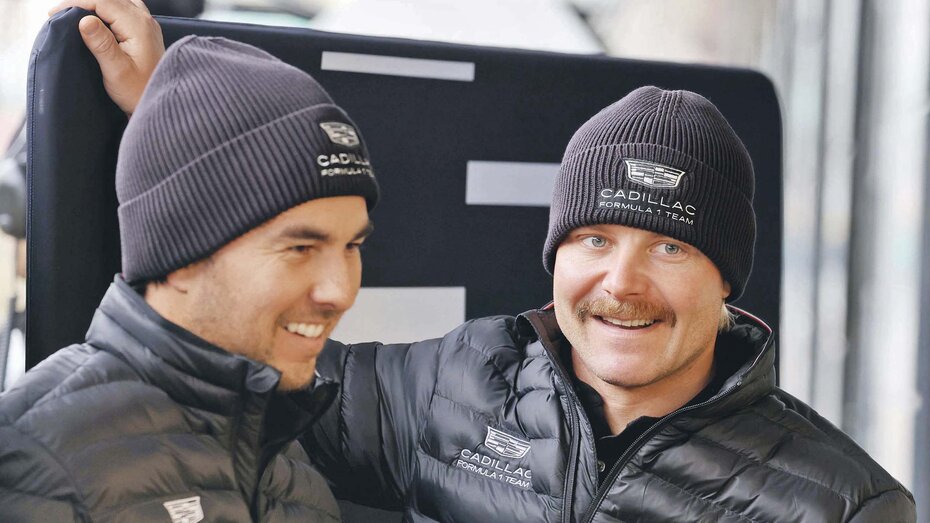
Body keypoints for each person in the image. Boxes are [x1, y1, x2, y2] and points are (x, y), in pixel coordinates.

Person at [42, 2, 921, 521]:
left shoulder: (844, 504)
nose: (621, 282)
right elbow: (248, 356)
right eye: (594, 237)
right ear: (556, 253)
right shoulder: (459, 382)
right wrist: (175, 115)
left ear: (727, 278)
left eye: (672, 245)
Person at [0, 34, 378, 522]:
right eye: (300, 248)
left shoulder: (288, 459)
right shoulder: (37, 463)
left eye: (353, 246)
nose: (341, 291)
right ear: (179, 254)